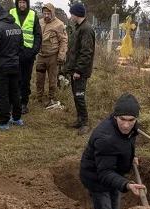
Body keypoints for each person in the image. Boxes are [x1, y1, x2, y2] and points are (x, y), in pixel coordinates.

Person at [80, 93, 146, 209]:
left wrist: (130, 156)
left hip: (115, 173)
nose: (127, 125)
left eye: (131, 120)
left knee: (115, 205)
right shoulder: (106, 138)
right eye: (123, 119)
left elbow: (125, 143)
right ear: (115, 116)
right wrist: (127, 185)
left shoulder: (132, 128)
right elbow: (104, 174)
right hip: (96, 178)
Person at [0, 4, 23, 130]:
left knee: (2, 94)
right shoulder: (16, 26)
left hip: (1, 66)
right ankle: (17, 118)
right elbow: (21, 46)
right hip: (15, 65)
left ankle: (3, 122)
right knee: (15, 92)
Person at [65, 3, 95, 135]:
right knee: (76, 96)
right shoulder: (79, 28)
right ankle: (79, 119)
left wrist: (78, 70)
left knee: (79, 96)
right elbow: (74, 50)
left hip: (80, 72)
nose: (70, 16)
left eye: (71, 13)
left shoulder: (86, 29)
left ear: (76, 14)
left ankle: (85, 123)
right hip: (75, 69)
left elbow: (86, 52)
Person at [10, 0, 42, 114]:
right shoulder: (11, 12)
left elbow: (38, 35)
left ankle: (24, 103)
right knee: (14, 79)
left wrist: (33, 51)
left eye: (24, 2)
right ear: (17, 3)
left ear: (27, 3)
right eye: (20, 2)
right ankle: (14, 103)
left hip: (28, 54)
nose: (22, 5)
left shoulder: (33, 15)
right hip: (14, 53)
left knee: (25, 80)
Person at [36, 3, 68, 107]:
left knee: (52, 79)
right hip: (40, 55)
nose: (46, 15)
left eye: (48, 13)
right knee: (39, 78)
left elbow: (64, 41)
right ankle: (39, 97)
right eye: (44, 13)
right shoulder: (39, 22)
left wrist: (61, 55)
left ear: (52, 13)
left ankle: (51, 98)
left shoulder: (59, 24)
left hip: (52, 56)